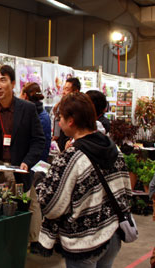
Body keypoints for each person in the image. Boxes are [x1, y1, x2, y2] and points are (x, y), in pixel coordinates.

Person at [36, 92, 132, 267]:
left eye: (60, 118)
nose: (58, 122)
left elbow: (52, 206)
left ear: (71, 120)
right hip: (112, 234)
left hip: (84, 243)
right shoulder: (114, 149)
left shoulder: (71, 157)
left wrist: (40, 181)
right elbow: (125, 191)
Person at [19, 82, 51, 253]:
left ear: (25, 95)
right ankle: (35, 239)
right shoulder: (43, 113)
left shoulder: (36, 115)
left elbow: (37, 143)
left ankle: (34, 239)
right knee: (33, 201)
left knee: (31, 201)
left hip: (33, 164)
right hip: (37, 163)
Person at [52, 77, 81, 151]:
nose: (63, 92)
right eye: (63, 89)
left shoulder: (79, 108)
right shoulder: (61, 105)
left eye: (67, 89)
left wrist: (71, 140)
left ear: (76, 91)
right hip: (61, 144)